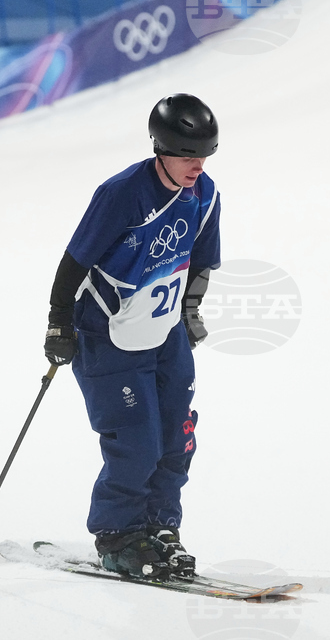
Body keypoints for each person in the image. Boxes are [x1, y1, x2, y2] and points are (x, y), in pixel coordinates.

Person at [43, 93, 221, 581]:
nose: (197, 165)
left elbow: (202, 260)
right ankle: (119, 536)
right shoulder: (122, 193)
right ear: (161, 148)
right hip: (108, 335)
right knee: (135, 442)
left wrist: (190, 309)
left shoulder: (204, 194)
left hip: (165, 334)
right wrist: (59, 323)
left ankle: (160, 526)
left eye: (205, 155)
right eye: (188, 156)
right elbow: (74, 262)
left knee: (176, 438)